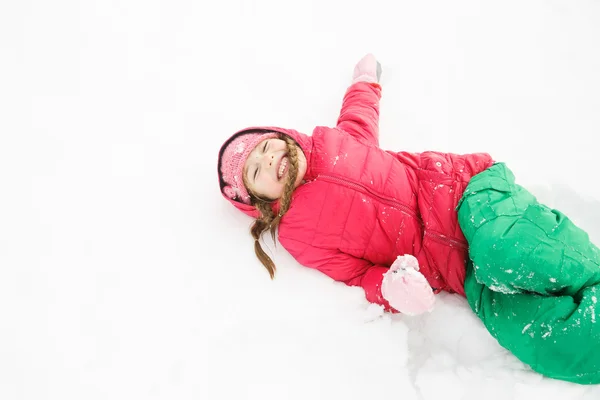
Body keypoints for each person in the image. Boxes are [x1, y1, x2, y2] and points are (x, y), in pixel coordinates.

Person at [216, 54, 600, 384]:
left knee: (506, 252)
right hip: (457, 270)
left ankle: (590, 271)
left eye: (265, 145)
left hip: (466, 194)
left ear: (282, 137)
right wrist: (392, 290)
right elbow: (355, 275)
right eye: (255, 171)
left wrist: (365, 80)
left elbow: (360, 113)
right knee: (532, 334)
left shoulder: (332, 142)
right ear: (258, 200)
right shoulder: (301, 239)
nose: (266, 158)